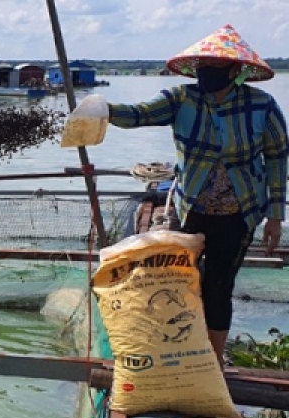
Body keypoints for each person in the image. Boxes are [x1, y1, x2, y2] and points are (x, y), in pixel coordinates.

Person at [103, 24, 287, 368]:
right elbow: (139, 113)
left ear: (235, 71)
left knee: (219, 287)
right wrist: (104, 110)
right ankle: (181, 351)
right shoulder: (181, 99)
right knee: (179, 284)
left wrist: (276, 216)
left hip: (240, 212)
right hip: (190, 209)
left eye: (214, 68)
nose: (206, 74)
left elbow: (277, 157)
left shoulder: (261, 106)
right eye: (201, 66)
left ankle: (213, 363)